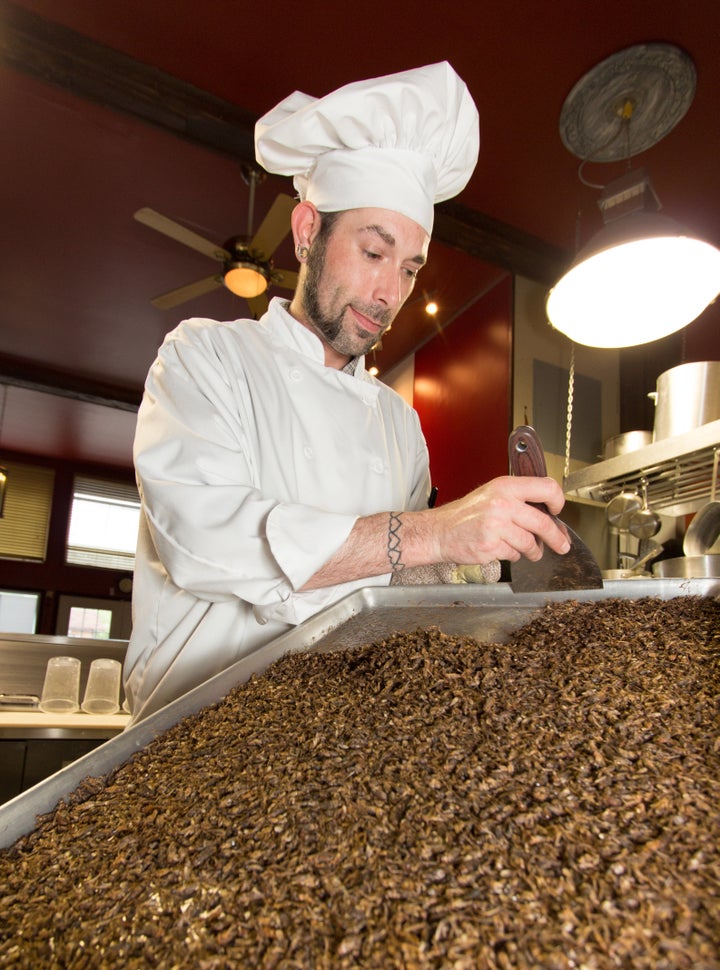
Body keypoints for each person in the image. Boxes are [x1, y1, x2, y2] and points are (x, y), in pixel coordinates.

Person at [124, 62, 570, 722]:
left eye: (410, 268)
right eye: (373, 251)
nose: (390, 292)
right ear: (308, 233)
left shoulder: (399, 421)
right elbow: (205, 544)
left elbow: (402, 583)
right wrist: (435, 534)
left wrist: (476, 564)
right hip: (191, 731)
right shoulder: (207, 357)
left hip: (343, 739)